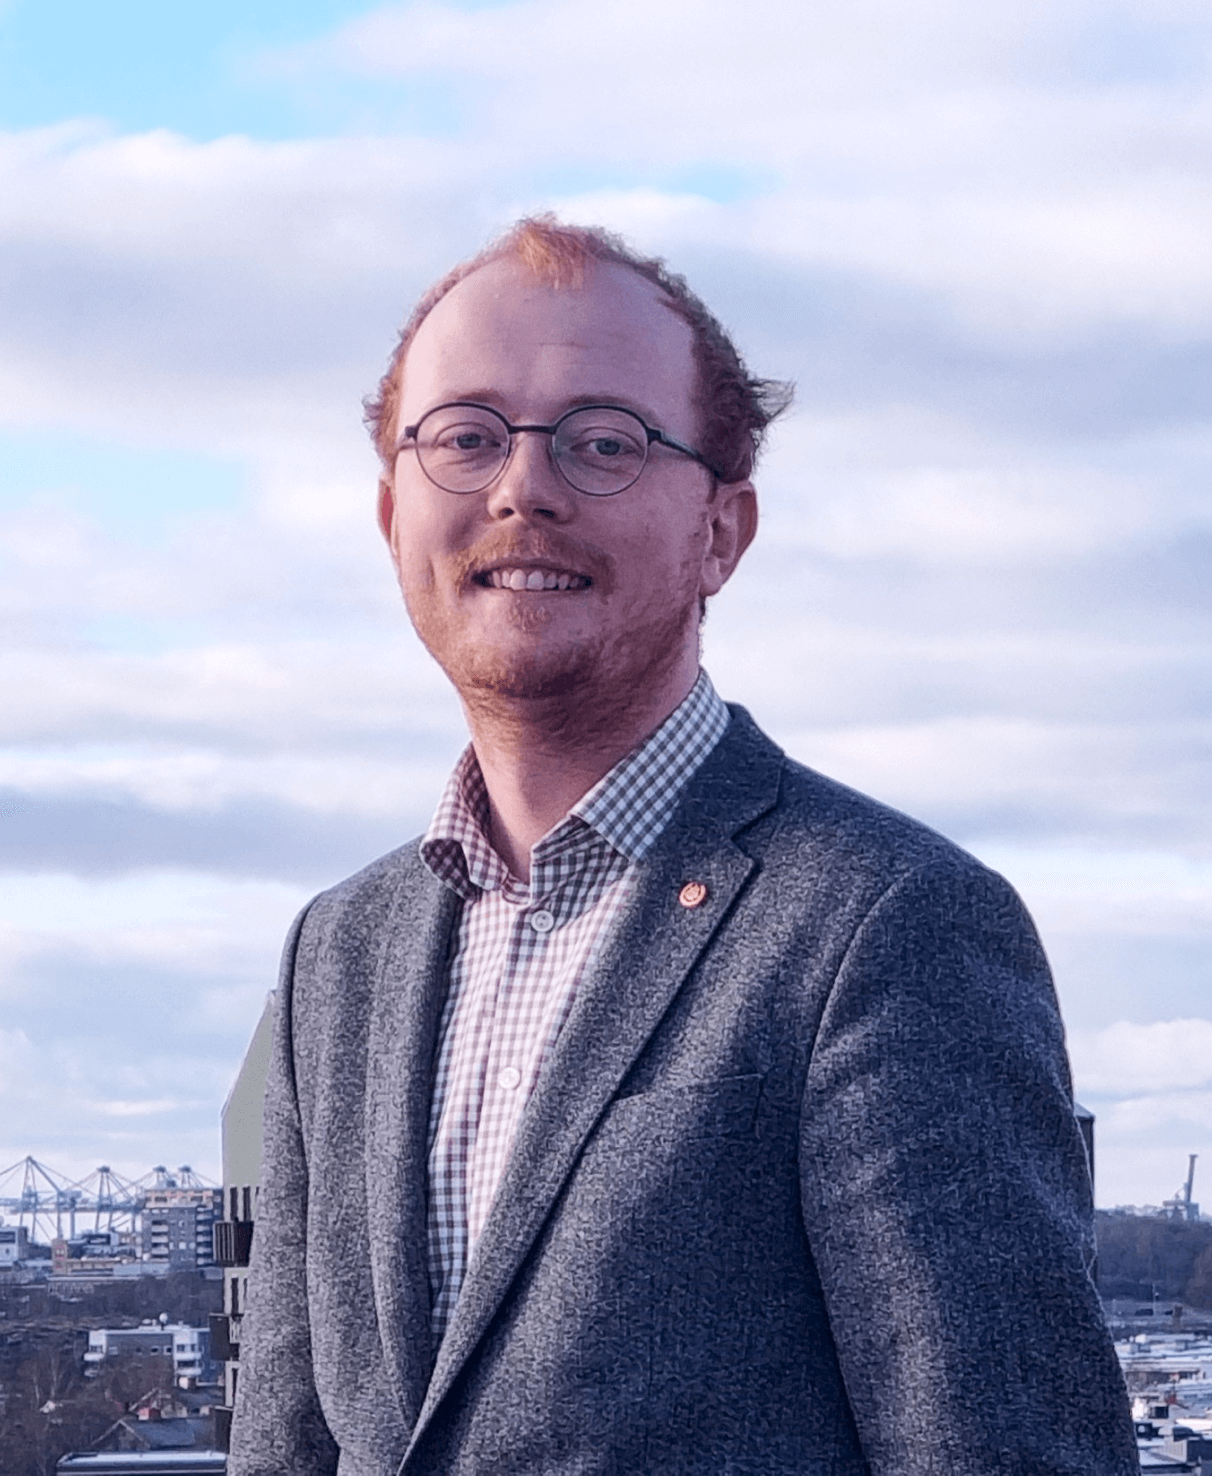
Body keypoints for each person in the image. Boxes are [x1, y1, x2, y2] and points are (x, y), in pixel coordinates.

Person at [230, 217, 1137, 1475]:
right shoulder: (339, 949)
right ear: (393, 517)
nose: (522, 488)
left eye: (604, 442)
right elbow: (286, 1446)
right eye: (466, 438)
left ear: (722, 531)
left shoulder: (892, 923)